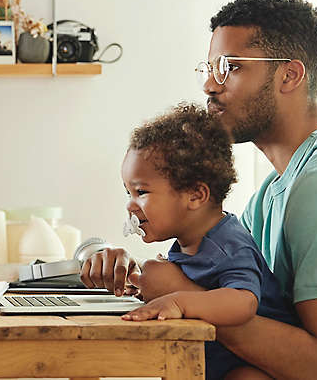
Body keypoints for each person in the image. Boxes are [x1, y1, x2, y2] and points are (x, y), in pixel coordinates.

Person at [81, 0, 317, 379]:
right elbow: (234, 292)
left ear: (289, 75)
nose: (210, 84)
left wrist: (184, 296)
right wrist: (137, 273)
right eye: (209, 68)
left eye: (231, 67)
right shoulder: (275, 191)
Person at [118, 102, 297, 380]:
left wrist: (178, 301)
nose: (131, 205)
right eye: (128, 192)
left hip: (261, 369)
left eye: (141, 191)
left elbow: (243, 302)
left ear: (195, 195)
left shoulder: (228, 244)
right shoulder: (188, 242)